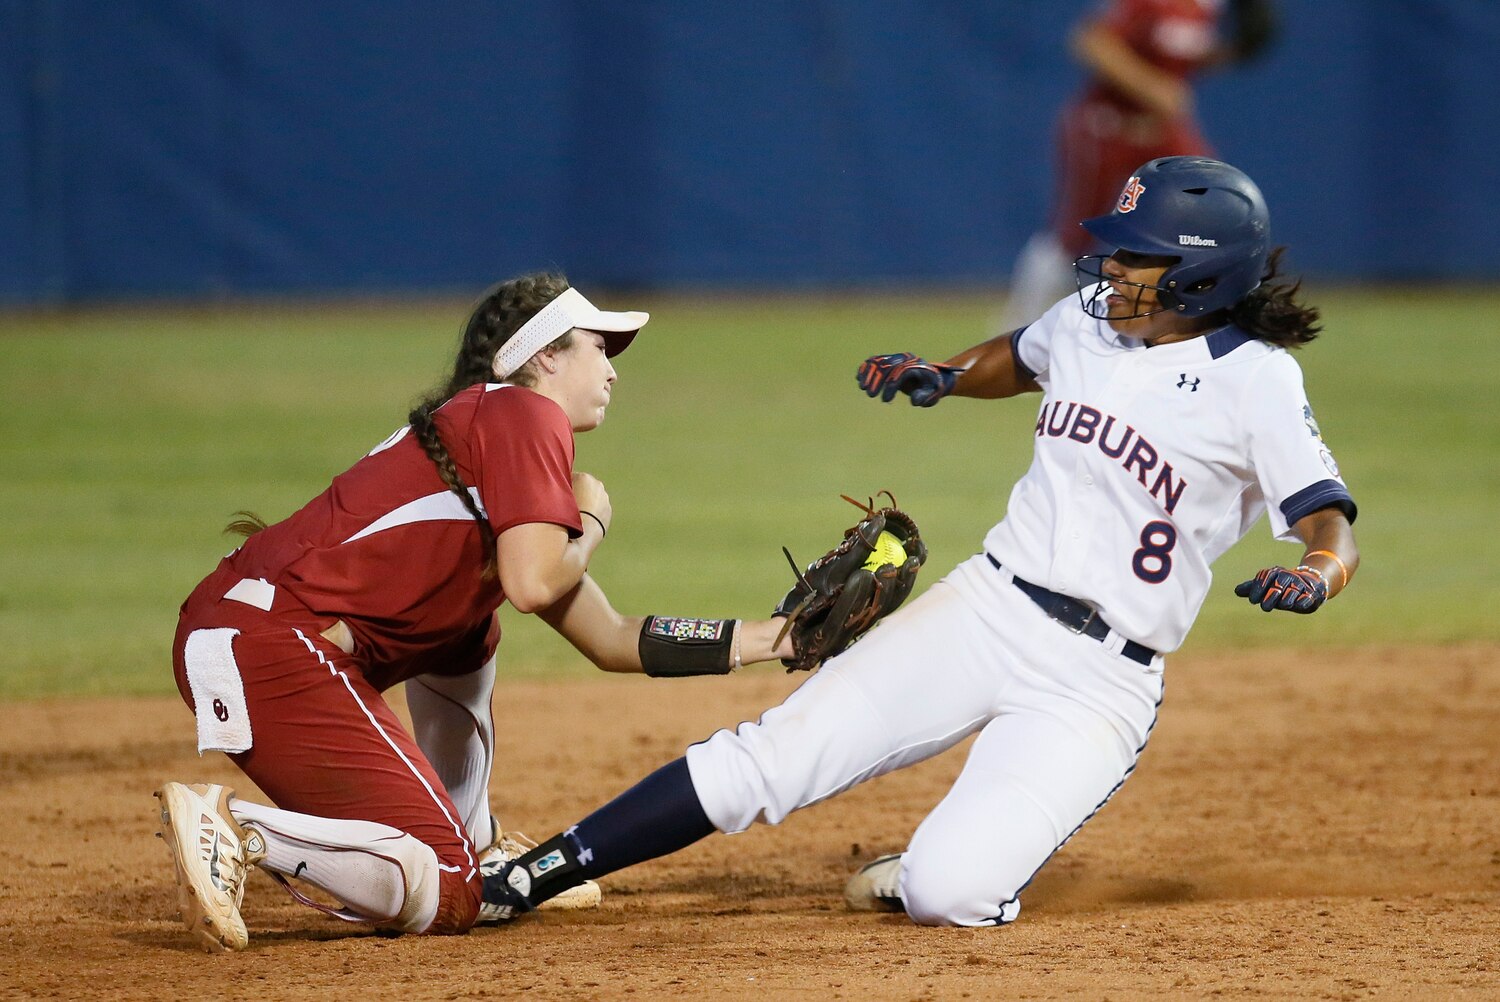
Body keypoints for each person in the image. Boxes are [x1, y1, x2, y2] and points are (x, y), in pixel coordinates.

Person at [476, 156, 1359, 927]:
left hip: (1099, 684)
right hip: (989, 607)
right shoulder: (1090, 320)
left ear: (1199, 279)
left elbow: (1328, 517)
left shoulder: (1257, 382)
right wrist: (943, 374)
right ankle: (539, 870)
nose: (1111, 266)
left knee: (951, 894)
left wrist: (1317, 572)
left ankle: (941, 863)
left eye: (1138, 254)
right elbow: (1021, 355)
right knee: (773, 758)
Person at [155, 273, 796, 951]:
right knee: (451, 893)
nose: (611, 370)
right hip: (271, 647)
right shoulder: (524, 413)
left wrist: (775, 638)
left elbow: (611, 638)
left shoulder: (491, 431)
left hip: (250, 638)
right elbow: (534, 584)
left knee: (469, 631)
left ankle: (476, 842)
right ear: (545, 355)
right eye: (598, 348)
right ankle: (241, 831)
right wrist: (594, 520)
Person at [1002, 0, 1277, 331]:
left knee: (1216, 209)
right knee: (1075, 232)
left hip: (1161, 127)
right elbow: (1091, 42)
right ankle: (1019, 328)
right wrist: (1151, 87)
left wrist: (1233, 52)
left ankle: (1219, 318)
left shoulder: (1208, 9)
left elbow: (1179, 59)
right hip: (1106, 123)